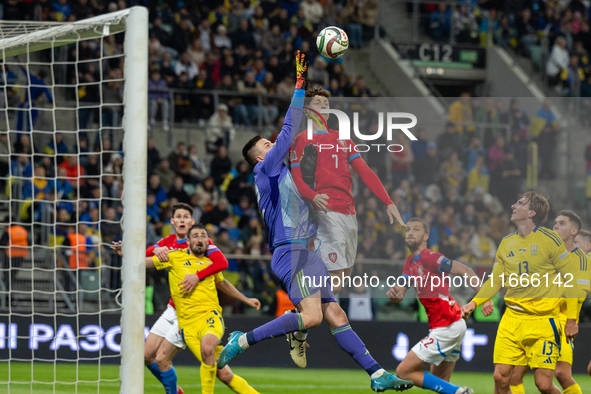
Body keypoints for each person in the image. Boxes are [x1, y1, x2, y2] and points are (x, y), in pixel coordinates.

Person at [217, 51, 413, 392]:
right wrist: (299, 84)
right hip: (289, 252)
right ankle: (243, 339)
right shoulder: (264, 168)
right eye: (268, 143)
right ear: (262, 155)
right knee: (312, 316)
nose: (274, 142)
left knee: (336, 315)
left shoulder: (283, 171)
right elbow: (291, 126)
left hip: (306, 252)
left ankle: (377, 375)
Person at [461, 192, 580, 394]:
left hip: (543, 322)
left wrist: (571, 319)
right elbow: (495, 280)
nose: (513, 206)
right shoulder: (506, 243)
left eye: (520, 203)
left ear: (531, 212)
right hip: (511, 320)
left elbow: (571, 281)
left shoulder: (551, 240)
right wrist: (475, 303)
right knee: (500, 377)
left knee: (543, 384)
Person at [290, 87, 404, 295]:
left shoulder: (343, 139)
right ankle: (307, 317)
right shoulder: (301, 140)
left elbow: (366, 172)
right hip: (325, 210)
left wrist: (389, 202)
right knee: (334, 282)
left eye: (326, 103)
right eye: (318, 102)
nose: (324, 105)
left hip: (349, 213)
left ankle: (303, 315)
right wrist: (313, 196)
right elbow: (296, 179)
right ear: (307, 110)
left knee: (342, 278)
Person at [111, 203, 229, 394]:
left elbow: (222, 263)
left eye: (186, 217)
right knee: (147, 355)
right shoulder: (166, 242)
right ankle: (176, 390)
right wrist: (124, 251)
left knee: (163, 358)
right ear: (172, 221)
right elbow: (142, 256)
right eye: (178, 217)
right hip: (172, 309)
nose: (182, 220)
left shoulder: (200, 243)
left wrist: (197, 276)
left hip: (190, 312)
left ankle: (174, 391)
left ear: (191, 222)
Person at [147, 224, 261, 394]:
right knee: (223, 374)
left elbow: (222, 283)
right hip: (185, 325)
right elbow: (142, 262)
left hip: (209, 316)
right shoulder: (174, 258)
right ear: (188, 241)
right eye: (195, 236)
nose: (199, 240)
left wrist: (245, 299)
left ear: (208, 242)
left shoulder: (210, 264)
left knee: (207, 347)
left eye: (203, 236)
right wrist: (127, 250)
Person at [387, 217, 493, 394]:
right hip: (452, 324)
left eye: (416, 229)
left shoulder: (431, 258)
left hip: (447, 324)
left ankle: (461, 392)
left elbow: (465, 270)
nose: (410, 233)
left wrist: (485, 298)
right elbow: (401, 293)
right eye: (408, 230)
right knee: (442, 383)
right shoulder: (409, 263)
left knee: (403, 372)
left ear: (426, 236)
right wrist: (394, 294)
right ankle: (456, 391)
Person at [508, 210, 590, 394]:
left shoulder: (582, 260)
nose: (555, 226)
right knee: (513, 375)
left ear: (574, 231)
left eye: (562, 223)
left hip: (561, 323)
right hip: (535, 320)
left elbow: (579, 293)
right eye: (555, 223)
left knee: (558, 376)